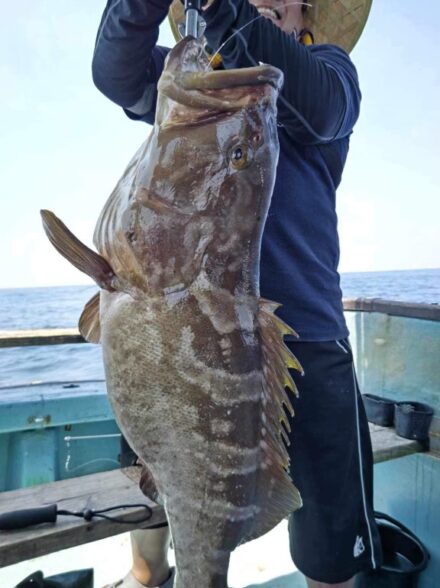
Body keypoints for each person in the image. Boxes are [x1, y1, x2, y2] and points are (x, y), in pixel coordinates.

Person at [92, 1, 382, 587]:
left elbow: (318, 108)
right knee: (157, 536)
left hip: (313, 347)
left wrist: (227, 10)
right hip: (171, 339)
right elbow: (115, 72)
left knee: (331, 559)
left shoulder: (328, 75)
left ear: (307, 15)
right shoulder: (198, 88)